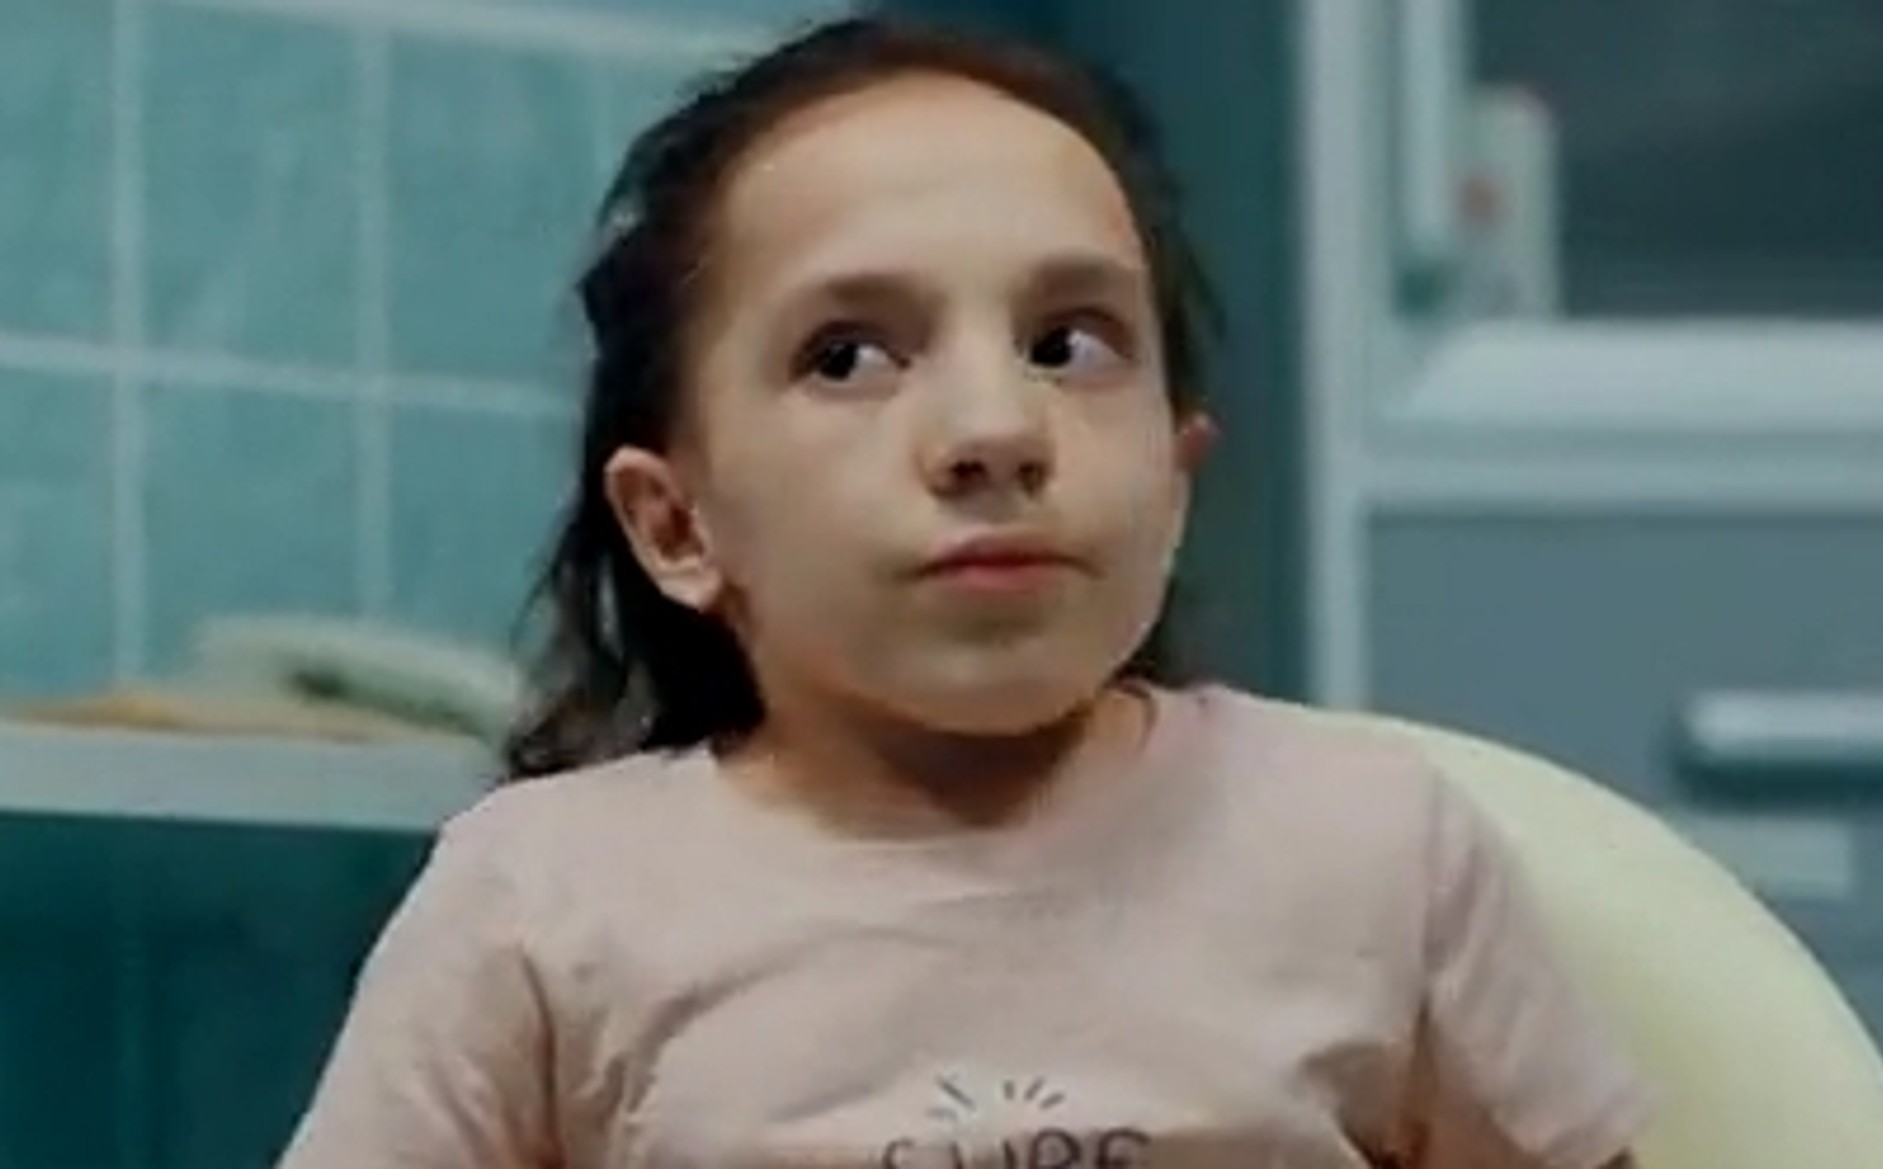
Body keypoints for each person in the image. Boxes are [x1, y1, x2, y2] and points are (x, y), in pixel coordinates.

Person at [278, 15, 1651, 1169]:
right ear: (678, 523)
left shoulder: (1373, 849)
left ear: (1176, 483)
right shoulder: (540, 902)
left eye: (1070, 342)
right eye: (849, 356)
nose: (996, 429)